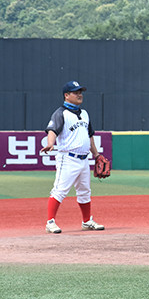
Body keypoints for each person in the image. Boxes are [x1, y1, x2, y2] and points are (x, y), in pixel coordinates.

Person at [40, 80, 105, 234]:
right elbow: (52, 130)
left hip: (84, 159)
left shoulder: (84, 114)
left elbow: (89, 136)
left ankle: (87, 221)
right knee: (59, 190)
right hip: (67, 158)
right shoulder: (60, 113)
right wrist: (50, 143)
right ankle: (50, 222)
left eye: (80, 92)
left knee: (84, 191)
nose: (79, 95)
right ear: (66, 95)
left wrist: (96, 155)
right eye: (76, 92)